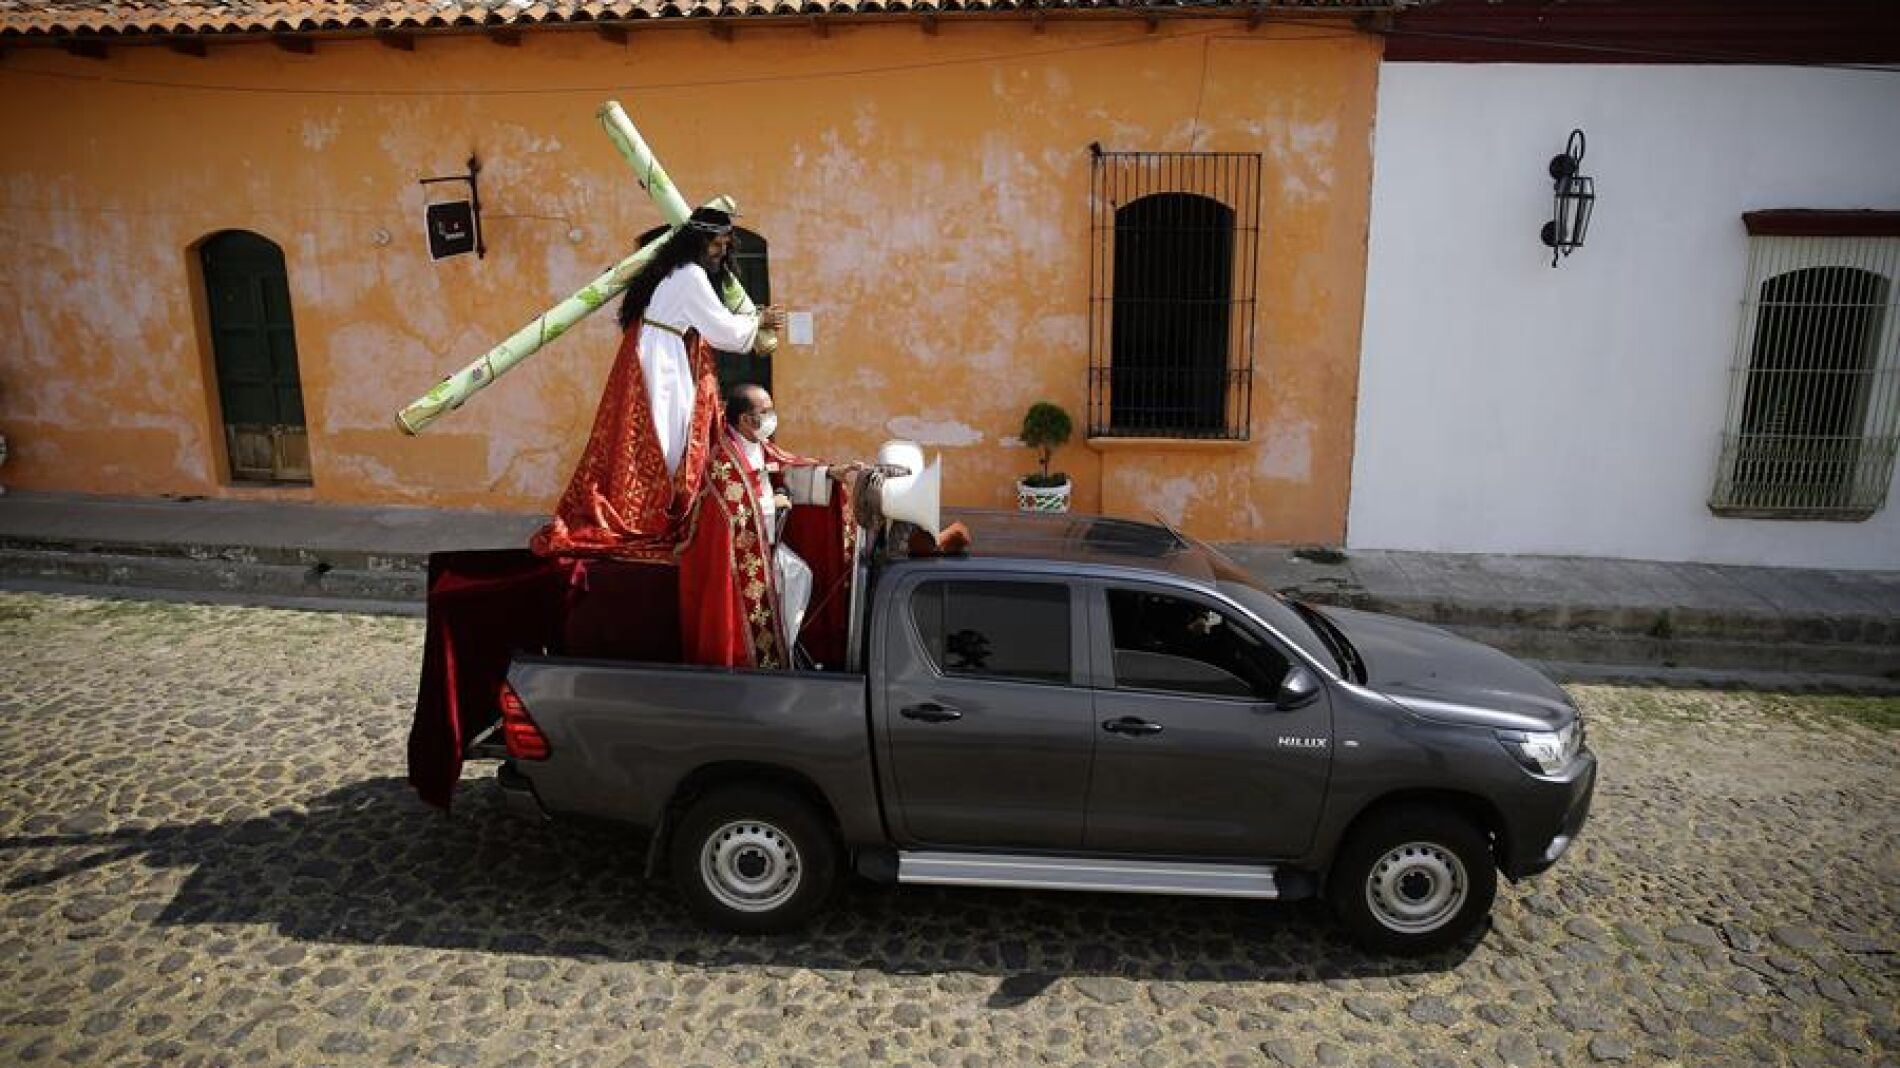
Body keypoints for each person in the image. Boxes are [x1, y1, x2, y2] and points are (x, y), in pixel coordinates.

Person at [530, 206, 786, 561]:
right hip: (662, 363)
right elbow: (723, 330)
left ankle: (653, 511)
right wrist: (760, 320)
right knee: (664, 438)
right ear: (699, 242)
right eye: (717, 244)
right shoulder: (690, 275)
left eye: (726, 245)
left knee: (662, 439)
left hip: (661, 352)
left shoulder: (674, 270)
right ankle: (650, 517)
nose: (722, 252)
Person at [678, 383, 860, 670]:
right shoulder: (723, 461)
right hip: (739, 563)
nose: (772, 416)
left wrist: (830, 473)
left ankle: (783, 651)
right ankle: (763, 660)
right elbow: (735, 513)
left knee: (800, 576)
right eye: (766, 412)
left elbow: (788, 469)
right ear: (745, 420)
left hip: (769, 547)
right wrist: (772, 503)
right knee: (793, 578)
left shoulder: (758, 446)